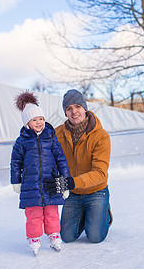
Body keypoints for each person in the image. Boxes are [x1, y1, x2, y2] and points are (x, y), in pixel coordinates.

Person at [44, 89, 112, 244]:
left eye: (77, 107)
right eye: (69, 108)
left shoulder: (101, 136)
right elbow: (47, 157)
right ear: (65, 113)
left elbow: (100, 173)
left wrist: (70, 182)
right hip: (73, 193)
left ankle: (103, 213)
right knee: (67, 237)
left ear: (85, 108)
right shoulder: (57, 134)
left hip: (96, 191)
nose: (74, 111)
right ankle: (86, 214)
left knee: (95, 237)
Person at [10, 91, 70, 255]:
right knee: (34, 214)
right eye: (35, 119)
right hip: (30, 185)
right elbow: (15, 162)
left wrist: (65, 184)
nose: (39, 122)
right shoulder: (21, 141)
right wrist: (16, 181)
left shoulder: (51, 137)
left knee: (52, 212)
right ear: (27, 123)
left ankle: (53, 235)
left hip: (50, 182)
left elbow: (61, 160)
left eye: (41, 119)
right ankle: (34, 238)